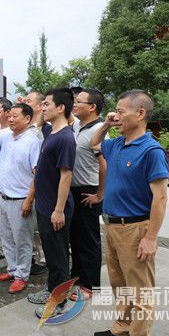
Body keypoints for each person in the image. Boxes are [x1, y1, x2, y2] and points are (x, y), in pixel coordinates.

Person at [90, 90, 169, 336]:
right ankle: (122, 329)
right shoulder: (116, 145)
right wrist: (106, 124)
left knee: (140, 290)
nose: (116, 115)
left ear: (141, 113)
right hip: (112, 226)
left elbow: (161, 198)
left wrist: (151, 238)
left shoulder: (151, 150)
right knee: (120, 284)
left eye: (121, 111)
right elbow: (93, 143)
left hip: (135, 229)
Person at [0, 103, 40, 293]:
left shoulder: (32, 141)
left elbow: (37, 174)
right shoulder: (6, 136)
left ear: (28, 119)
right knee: (7, 238)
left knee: (22, 240)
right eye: (10, 116)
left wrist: (29, 200)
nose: (11, 119)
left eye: (15, 116)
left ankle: (22, 275)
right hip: (4, 197)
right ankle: (12, 269)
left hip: (21, 199)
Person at [26, 88, 76, 317]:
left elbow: (66, 175)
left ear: (61, 108)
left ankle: (60, 302)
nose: (42, 108)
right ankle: (50, 290)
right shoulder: (51, 133)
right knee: (53, 253)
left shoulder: (65, 137)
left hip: (56, 208)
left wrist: (58, 210)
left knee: (58, 256)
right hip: (45, 205)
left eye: (46, 104)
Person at [68, 88, 106, 299]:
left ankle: (90, 286)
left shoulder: (99, 130)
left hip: (88, 191)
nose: (75, 104)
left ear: (92, 107)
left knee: (89, 240)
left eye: (79, 101)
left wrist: (100, 195)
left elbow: (104, 165)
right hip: (74, 190)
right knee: (75, 237)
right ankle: (78, 276)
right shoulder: (78, 126)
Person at [23, 91, 48, 275]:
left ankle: (43, 259)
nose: (25, 102)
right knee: (28, 226)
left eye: (29, 101)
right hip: (23, 185)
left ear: (40, 106)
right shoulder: (25, 128)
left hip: (39, 185)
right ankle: (32, 256)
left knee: (38, 227)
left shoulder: (45, 129)